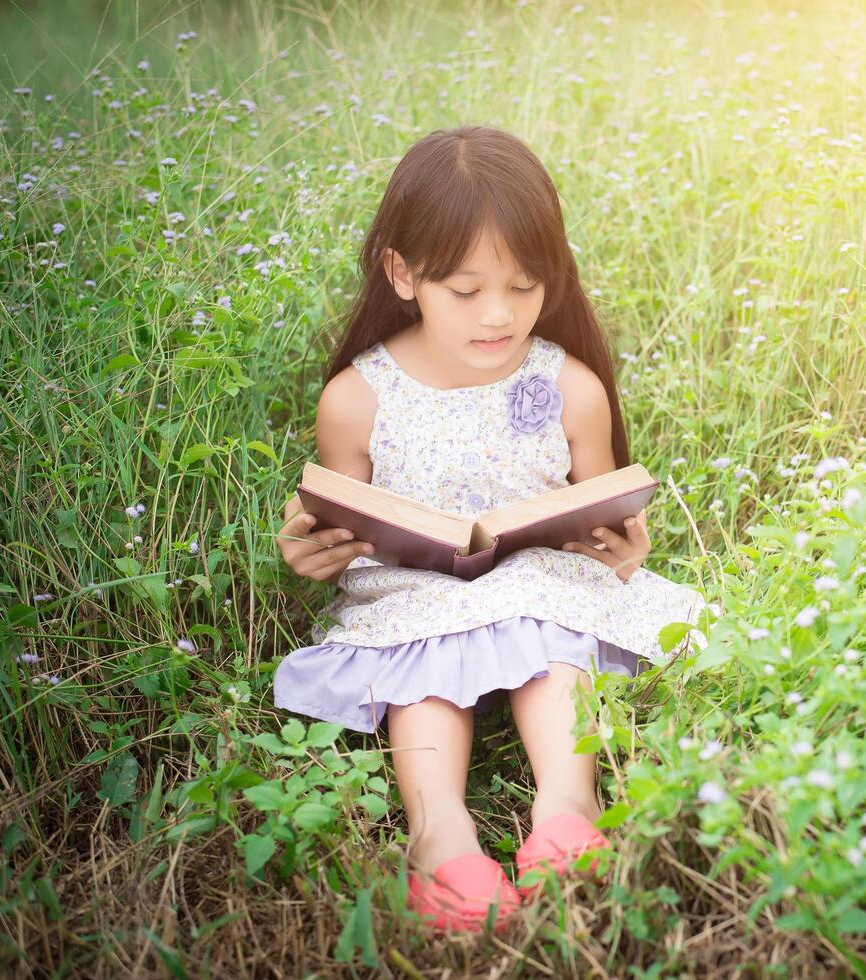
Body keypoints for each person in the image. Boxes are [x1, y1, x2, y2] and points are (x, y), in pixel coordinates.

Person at [271, 125, 706, 936]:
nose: (498, 315)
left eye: (524, 285)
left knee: (554, 635)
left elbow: (601, 507)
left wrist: (621, 545)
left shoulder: (567, 384)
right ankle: (440, 833)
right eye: (465, 291)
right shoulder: (358, 397)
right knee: (420, 668)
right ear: (403, 274)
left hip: (538, 580)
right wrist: (313, 553)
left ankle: (568, 806)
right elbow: (345, 528)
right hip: (414, 592)